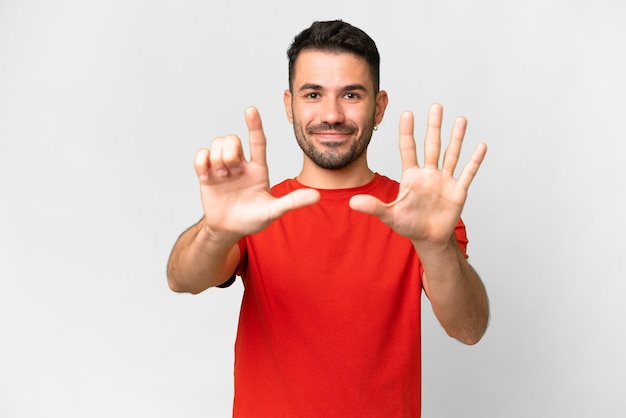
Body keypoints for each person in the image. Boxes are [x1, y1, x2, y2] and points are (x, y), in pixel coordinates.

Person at [167, 19, 489, 418]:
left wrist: (437, 246)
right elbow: (182, 279)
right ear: (290, 105)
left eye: (351, 94)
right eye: (313, 94)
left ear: (379, 107)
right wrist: (216, 231)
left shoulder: (417, 212)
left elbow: (468, 328)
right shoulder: (256, 212)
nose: (332, 114)